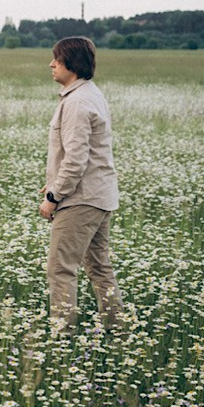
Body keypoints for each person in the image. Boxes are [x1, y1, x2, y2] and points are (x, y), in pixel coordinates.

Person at [39, 37, 124, 334]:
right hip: (99, 195)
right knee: (100, 268)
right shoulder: (89, 94)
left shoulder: (76, 101)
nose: (51, 64)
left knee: (60, 269)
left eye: (57, 60)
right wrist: (53, 182)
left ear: (71, 64)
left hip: (81, 200)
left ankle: (61, 337)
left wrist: (54, 195)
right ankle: (118, 331)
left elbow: (76, 159)